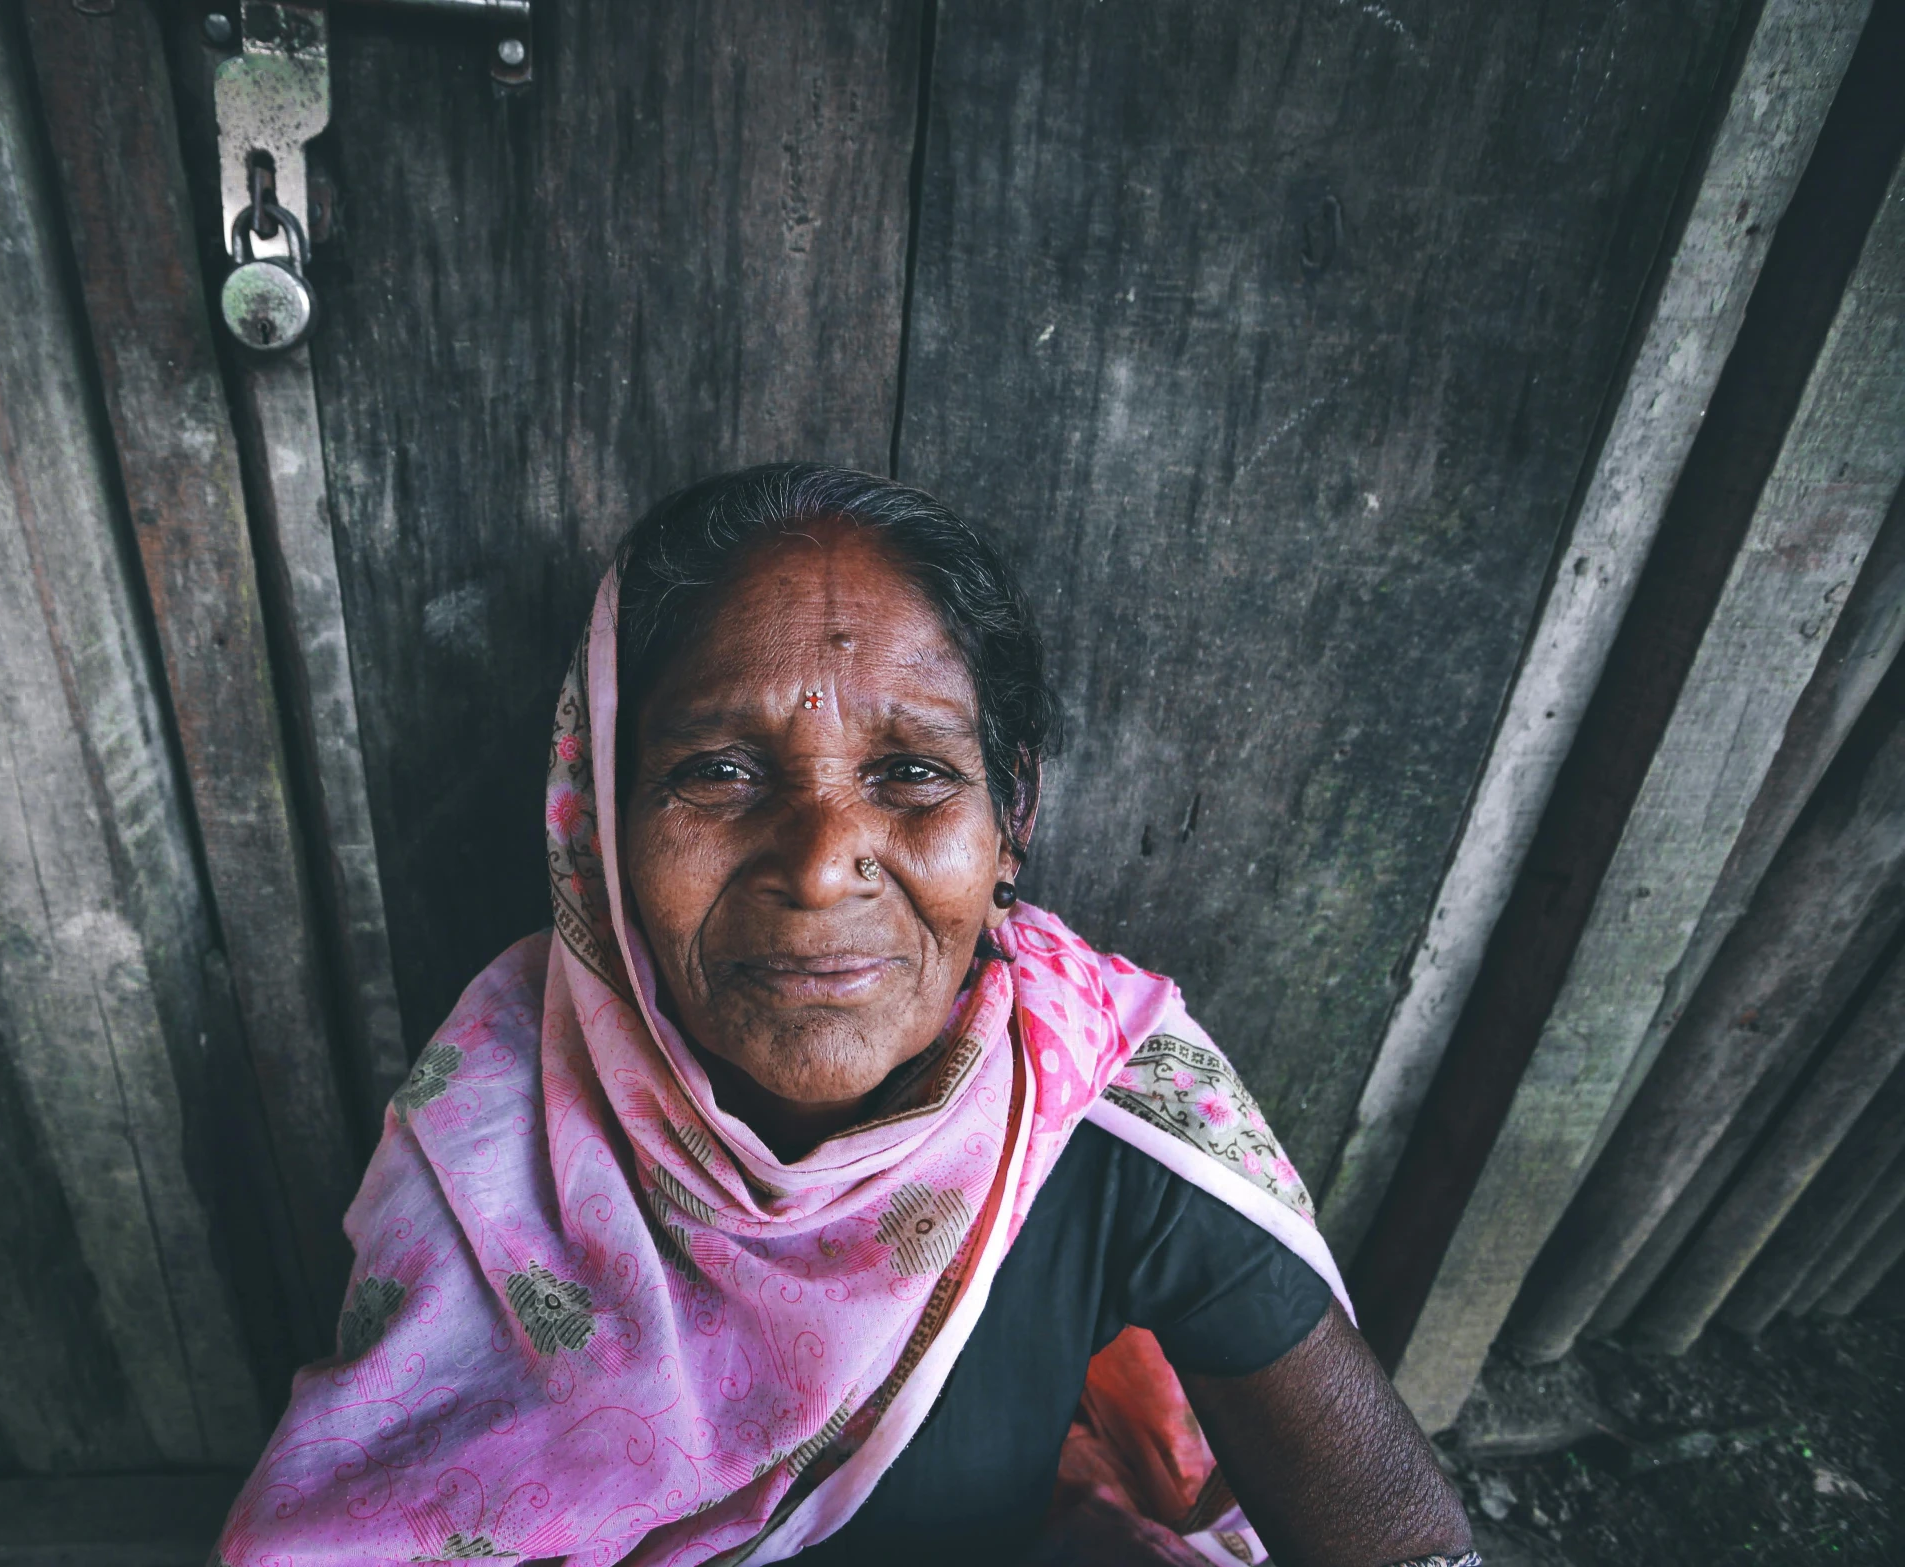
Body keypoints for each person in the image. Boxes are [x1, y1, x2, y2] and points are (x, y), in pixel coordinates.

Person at [216, 466, 1476, 1566]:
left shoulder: (1091, 1093)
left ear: (1010, 819)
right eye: (719, 773)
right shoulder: (494, 1121)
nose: (822, 865)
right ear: (600, 817)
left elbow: (1403, 1542)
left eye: (913, 775)